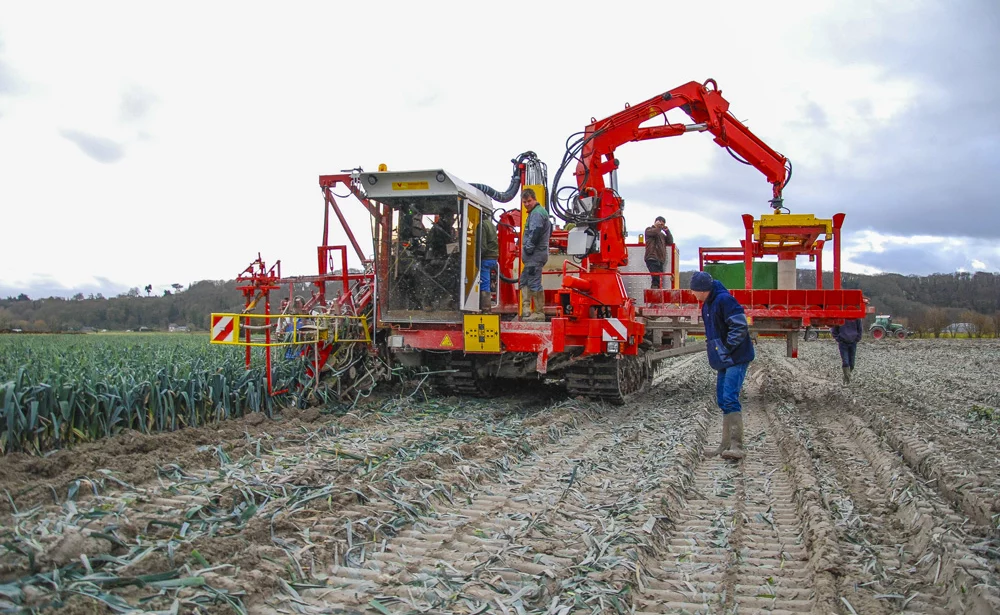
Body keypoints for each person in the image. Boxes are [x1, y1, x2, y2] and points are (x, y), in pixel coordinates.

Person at [690, 271, 755, 460]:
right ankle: (725, 445)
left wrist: (726, 348)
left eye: (694, 291)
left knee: (730, 397)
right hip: (724, 359)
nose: (693, 294)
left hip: (736, 357)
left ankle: (737, 446)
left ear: (703, 290)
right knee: (722, 398)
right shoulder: (707, 305)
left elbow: (740, 326)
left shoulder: (725, 300)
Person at [519, 188, 551, 321]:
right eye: (524, 202)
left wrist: (529, 248)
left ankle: (538, 313)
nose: (526, 204)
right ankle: (526, 310)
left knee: (534, 282)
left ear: (534, 199)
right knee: (524, 280)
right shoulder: (536, 213)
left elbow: (535, 233)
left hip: (535, 256)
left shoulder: (537, 214)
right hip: (533, 256)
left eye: (529, 201)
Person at [644, 216, 674, 289]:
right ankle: (654, 295)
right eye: (660, 223)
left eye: (662, 224)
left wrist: (667, 231)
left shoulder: (662, 235)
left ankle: (656, 293)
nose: (661, 225)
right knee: (656, 279)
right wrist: (658, 227)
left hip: (660, 259)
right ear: (655, 221)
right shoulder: (649, 230)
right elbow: (655, 232)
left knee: (659, 280)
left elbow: (670, 241)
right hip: (652, 257)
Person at [831, 318, 863, 384]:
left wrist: (857, 338)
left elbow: (860, 329)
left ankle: (845, 377)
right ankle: (847, 381)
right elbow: (834, 329)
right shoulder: (840, 317)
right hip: (843, 343)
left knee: (852, 364)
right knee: (845, 362)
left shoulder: (856, 318)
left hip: (853, 342)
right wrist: (838, 339)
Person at [479, 212, 499, 312]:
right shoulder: (491, 225)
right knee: (486, 281)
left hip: (486, 258)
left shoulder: (482, 225)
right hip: (493, 257)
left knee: (484, 283)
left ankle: (485, 308)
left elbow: (482, 246)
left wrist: (476, 257)